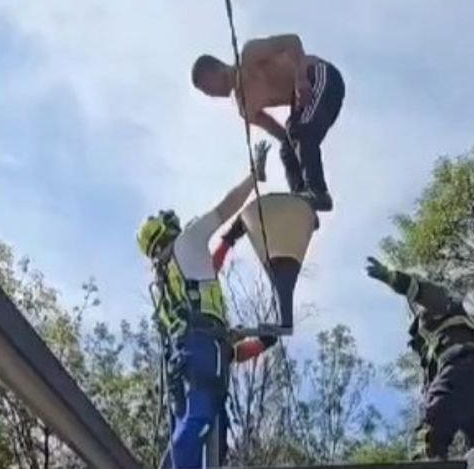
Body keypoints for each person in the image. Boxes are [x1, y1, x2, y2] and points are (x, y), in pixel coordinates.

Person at [138, 142, 278, 468]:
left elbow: (229, 354)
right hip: (201, 352)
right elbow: (225, 207)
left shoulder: (173, 287)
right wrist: (254, 177)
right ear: (169, 230)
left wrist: (263, 342)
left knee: (196, 434)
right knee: (199, 420)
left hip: (188, 359)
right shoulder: (187, 242)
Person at [191, 33, 345, 212]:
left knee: (300, 129)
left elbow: (292, 41)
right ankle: (303, 209)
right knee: (287, 150)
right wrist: (290, 149)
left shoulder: (249, 56)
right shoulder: (245, 109)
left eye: (208, 88)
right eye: (207, 94)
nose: (212, 95)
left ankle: (318, 191)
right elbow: (281, 134)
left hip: (319, 77)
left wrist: (300, 79)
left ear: (213, 72)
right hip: (311, 103)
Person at [365, 257, 474, 460]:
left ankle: (427, 459)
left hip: (461, 367)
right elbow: (431, 389)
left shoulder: (442, 304)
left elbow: (420, 291)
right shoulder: (436, 353)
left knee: (429, 433)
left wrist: (390, 276)